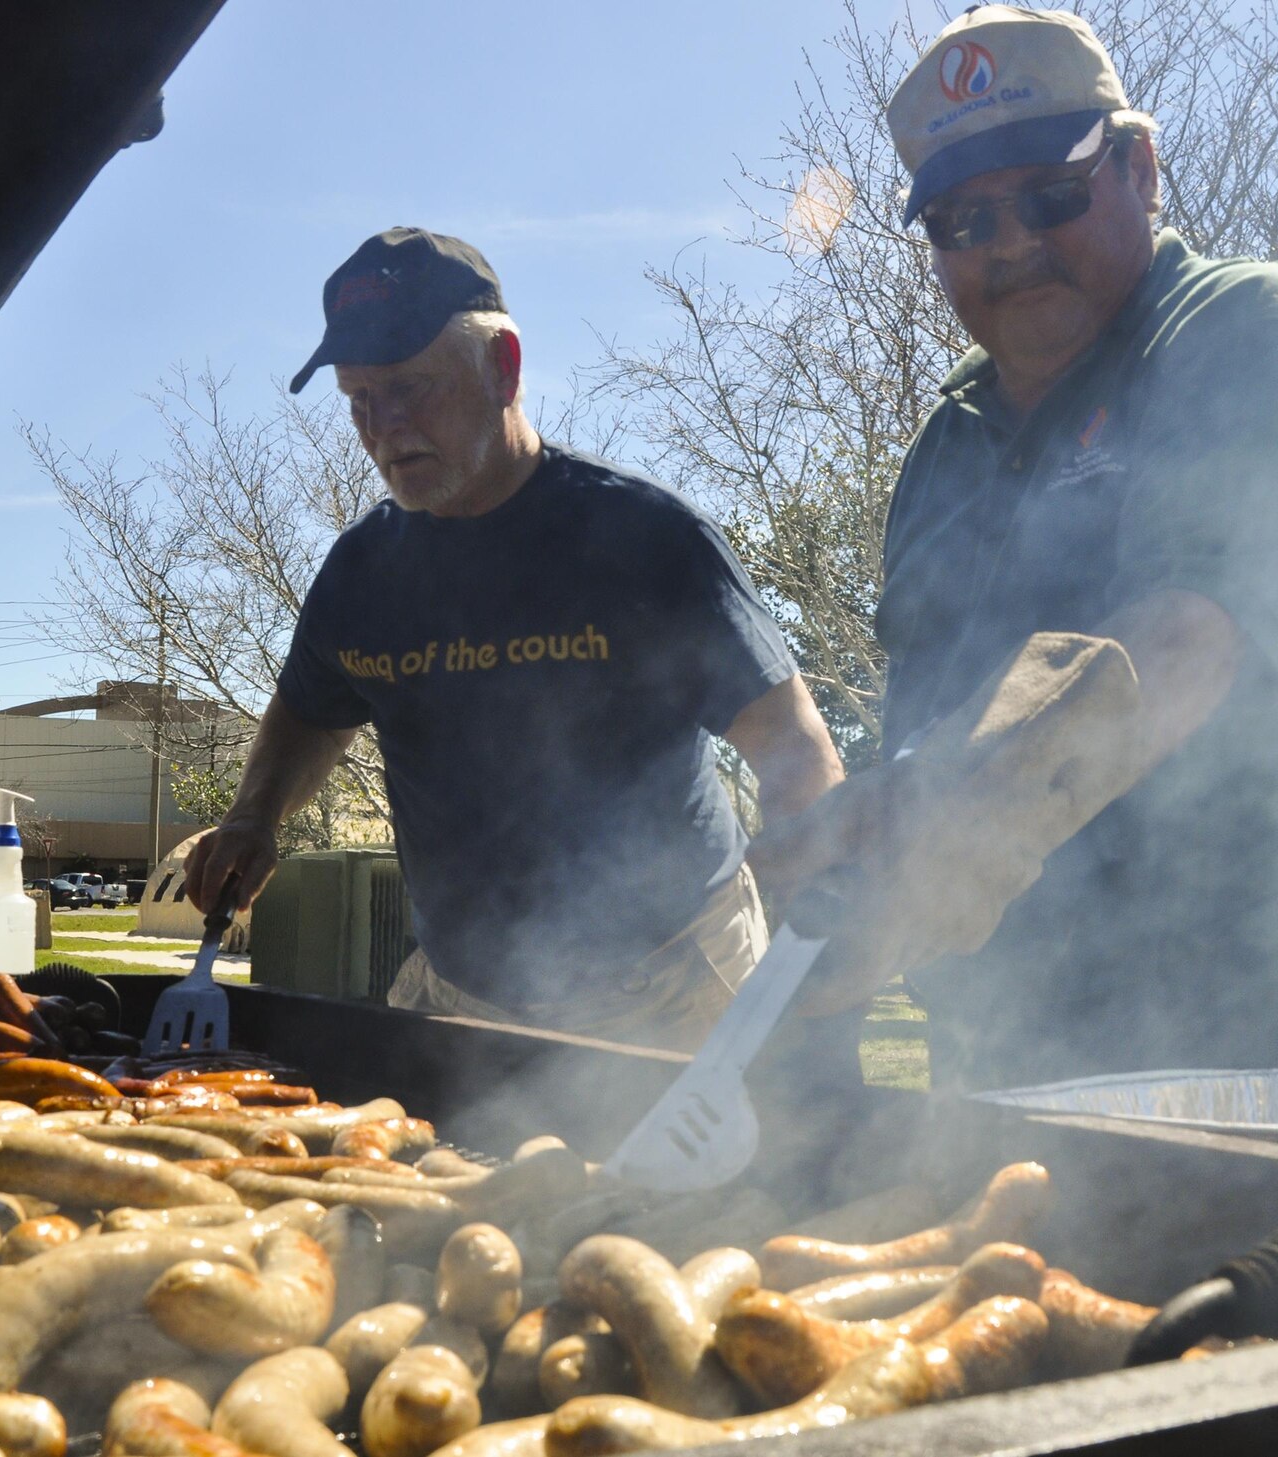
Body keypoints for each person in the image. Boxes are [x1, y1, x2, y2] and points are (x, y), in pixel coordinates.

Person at [766, 5, 1278, 1090]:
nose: (1008, 245)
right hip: (1008, 1073)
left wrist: (951, 793)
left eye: (1048, 195)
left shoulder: (1254, 332)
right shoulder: (940, 453)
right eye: (959, 221)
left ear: (1138, 168)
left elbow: (1179, 642)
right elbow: (916, 737)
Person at [183, 227, 846, 1053]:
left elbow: (796, 751)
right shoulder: (363, 572)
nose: (382, 428)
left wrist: (812, 950)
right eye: (359, 401)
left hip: (674, 984)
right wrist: (254, 816)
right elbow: (312, 712)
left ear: (504, 367)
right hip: (464, 991)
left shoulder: (644, 540)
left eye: (411, 389)